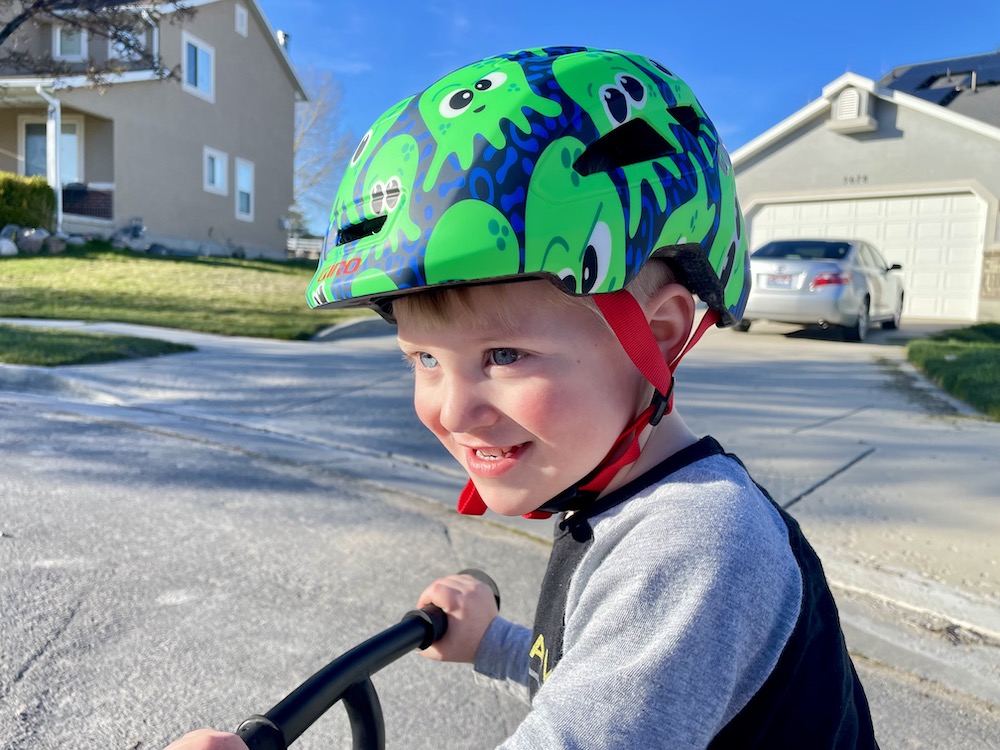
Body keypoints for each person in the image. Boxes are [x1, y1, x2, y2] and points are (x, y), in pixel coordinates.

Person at [166, 46, 878, 749]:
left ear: (657, 336)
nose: (450, 410)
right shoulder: (628, 505)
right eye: (424, 358)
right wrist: (495, 644)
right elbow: (591, 675)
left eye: (503, 355)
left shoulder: (697, 547)